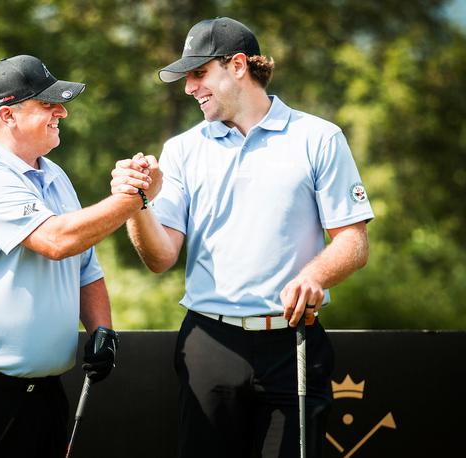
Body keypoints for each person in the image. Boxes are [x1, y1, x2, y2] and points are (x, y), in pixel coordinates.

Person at [111, 17, 374, 458]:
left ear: (237, 66)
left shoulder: (320, 138)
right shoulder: (182, 149)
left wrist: (315, 277)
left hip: (292, 341)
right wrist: (135, 204)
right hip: (209, 344)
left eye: (198, 74)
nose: (190, 88)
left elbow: (353, 240)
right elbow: (160, 258)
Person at [0, 55, 158, 458]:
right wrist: (135, 198)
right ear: (8, 115)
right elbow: (56, 240)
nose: (61, 111)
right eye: (47, 104)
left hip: (42, 395)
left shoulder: (55, 175)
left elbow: (84, 265)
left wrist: (102, 330)